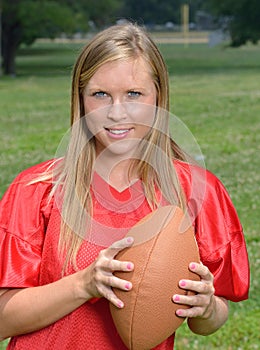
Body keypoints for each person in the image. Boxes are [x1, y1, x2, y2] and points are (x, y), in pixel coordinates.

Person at [0, 23, 249, 349]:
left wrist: (204, 307)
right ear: (80, 99)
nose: (117, 113)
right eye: (100, 94)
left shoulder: (195, 190)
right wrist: (83, 285)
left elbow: (213, 318)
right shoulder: (37, 189)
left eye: (134, 94)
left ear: (158, 97)